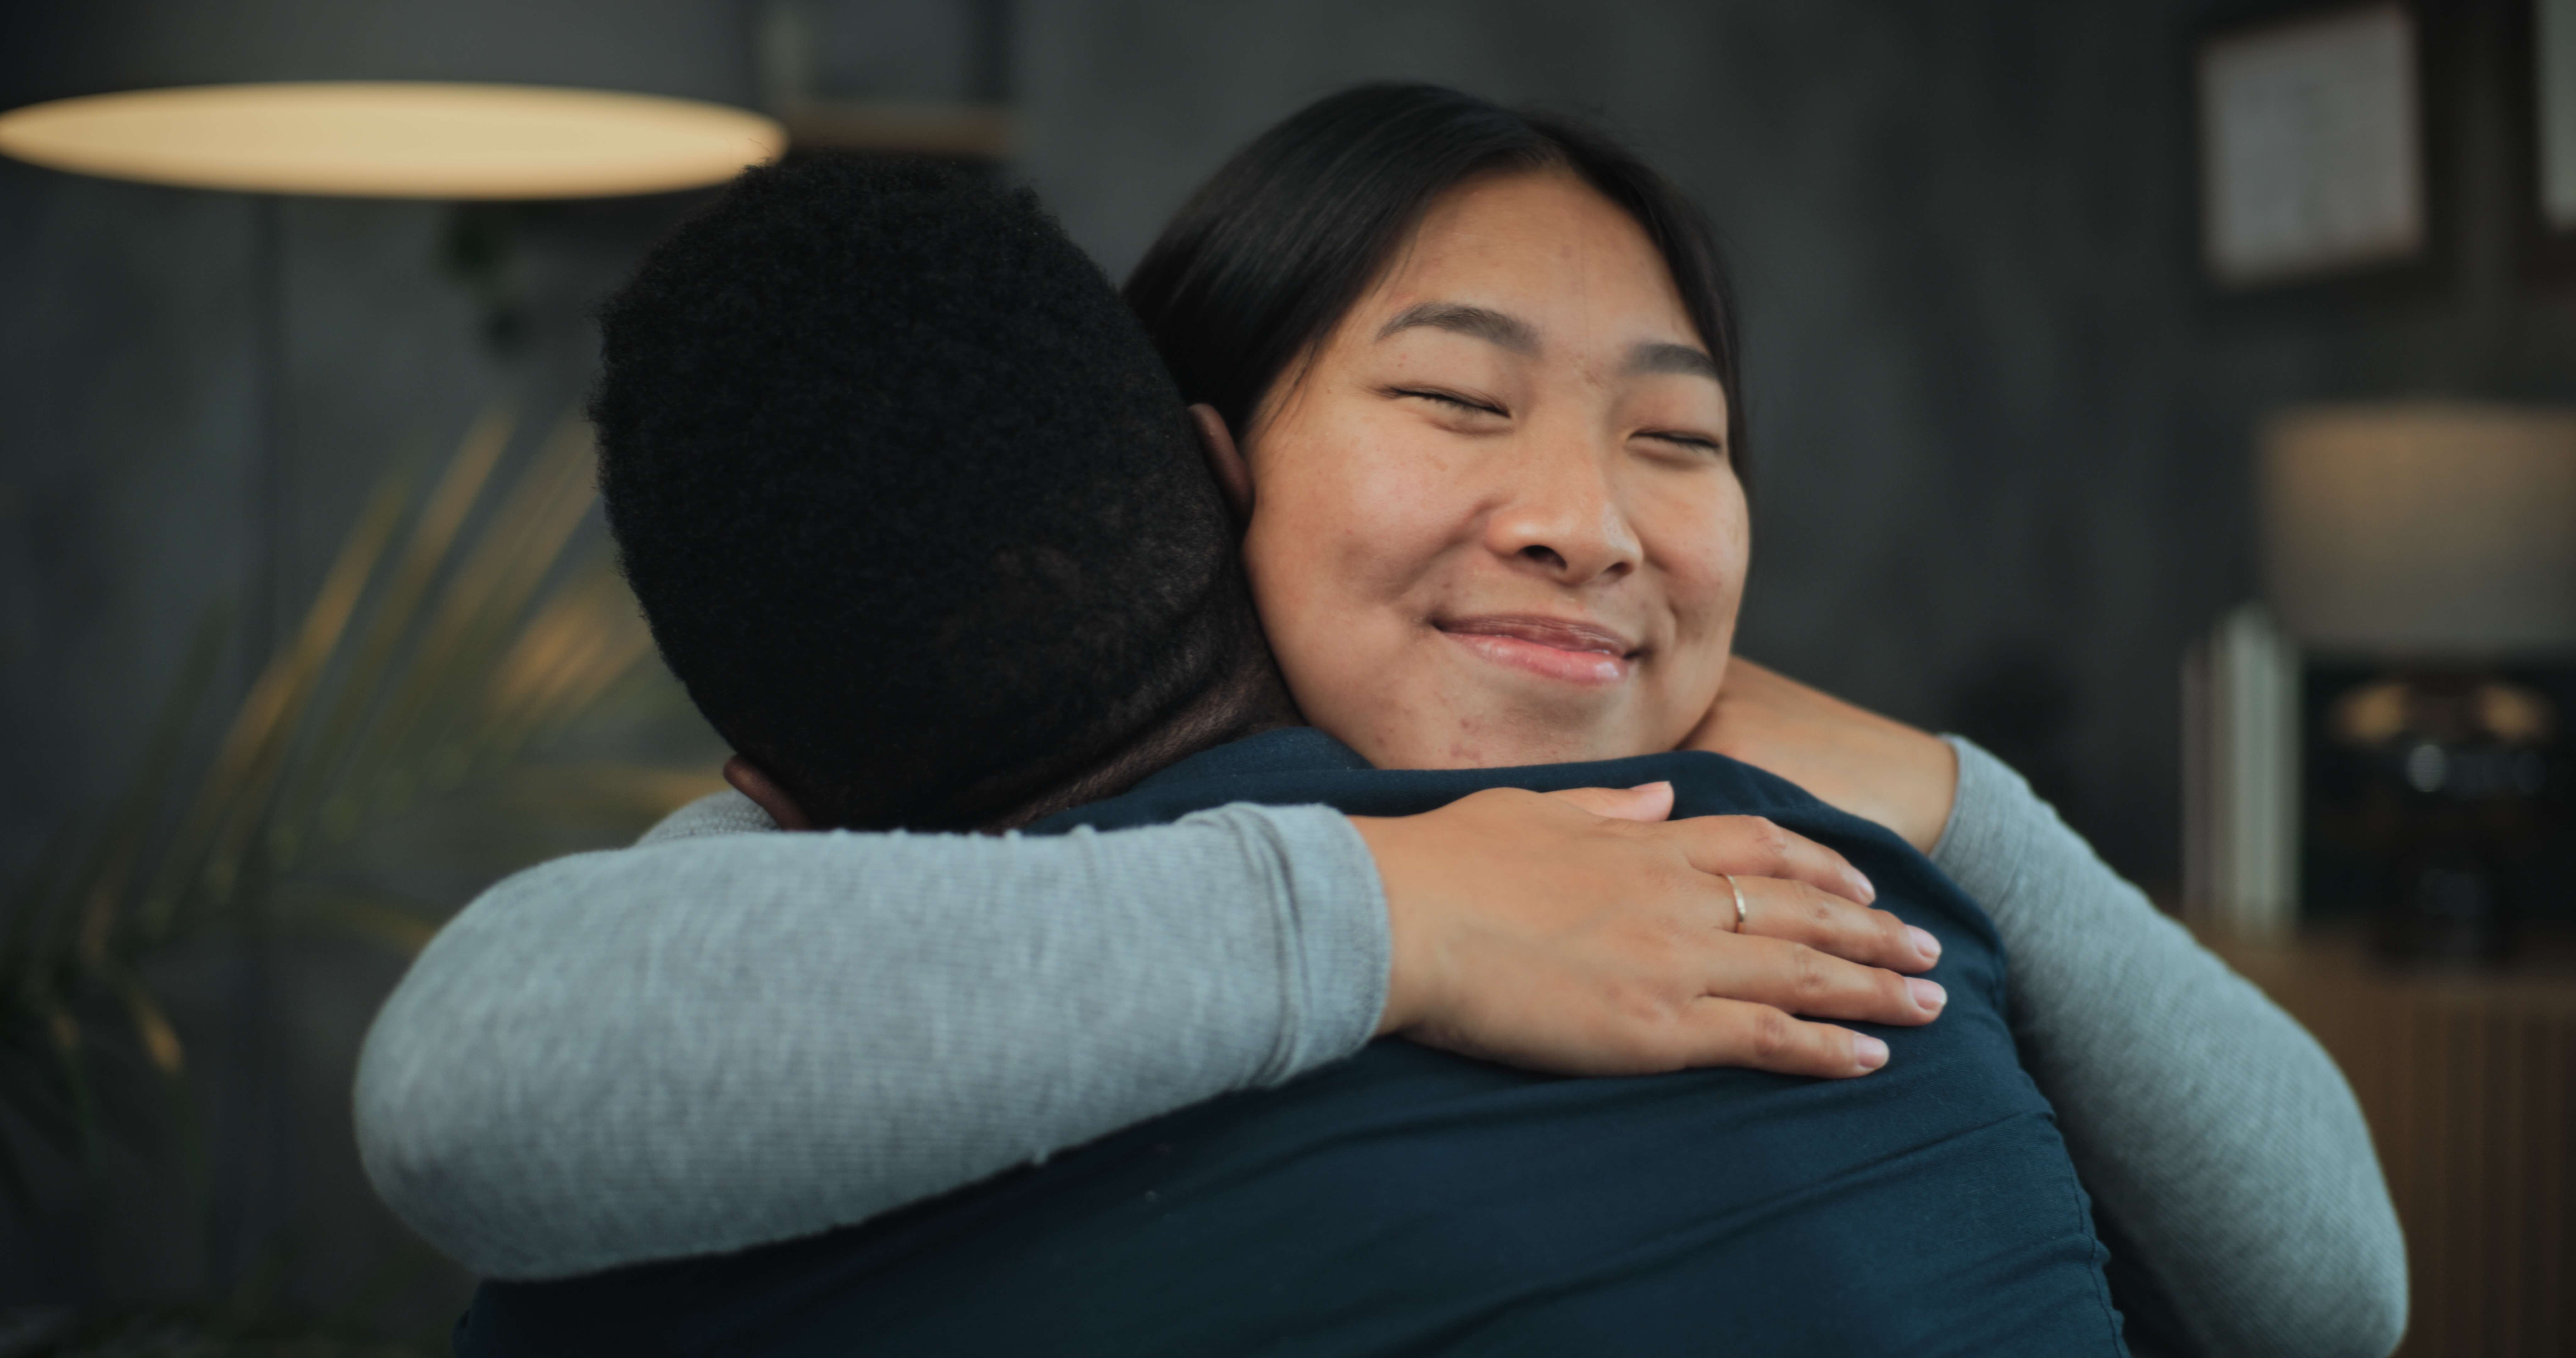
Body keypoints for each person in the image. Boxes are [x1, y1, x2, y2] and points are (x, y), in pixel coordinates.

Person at [357, 90, 2404, 1357]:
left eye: (1674, 439)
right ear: (1203, 470)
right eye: (1455, 399)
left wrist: (1956, 802)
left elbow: (2337, 1292)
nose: (1586, 524)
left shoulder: (1816, 895)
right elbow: (489, 1066)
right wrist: (1397, 907)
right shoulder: (901, 894)